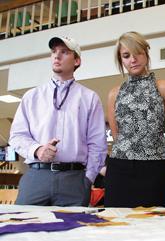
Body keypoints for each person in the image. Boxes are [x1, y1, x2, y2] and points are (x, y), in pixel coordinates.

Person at [9, 36, 107, 206]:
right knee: (24, 229)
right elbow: (16, 135)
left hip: (74, 180)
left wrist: (88, 179)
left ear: (76, 60)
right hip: (37, 176)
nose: (57, 56)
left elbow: (97, 143)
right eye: (54, 52)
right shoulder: (32, 96)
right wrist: (37, 150)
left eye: (64, 52)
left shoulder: (89, 98)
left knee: (74, 231)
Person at [105, 31, 165, 208]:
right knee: (117, 225)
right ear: (121, 60)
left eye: (138, 53)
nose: (133, 59)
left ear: (146, 53)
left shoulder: (163, 87)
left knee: (154, 225)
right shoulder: (114, 93)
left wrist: (159, 161)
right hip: (119, 170)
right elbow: (117, 138)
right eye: (126, 55)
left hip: (154, 171)